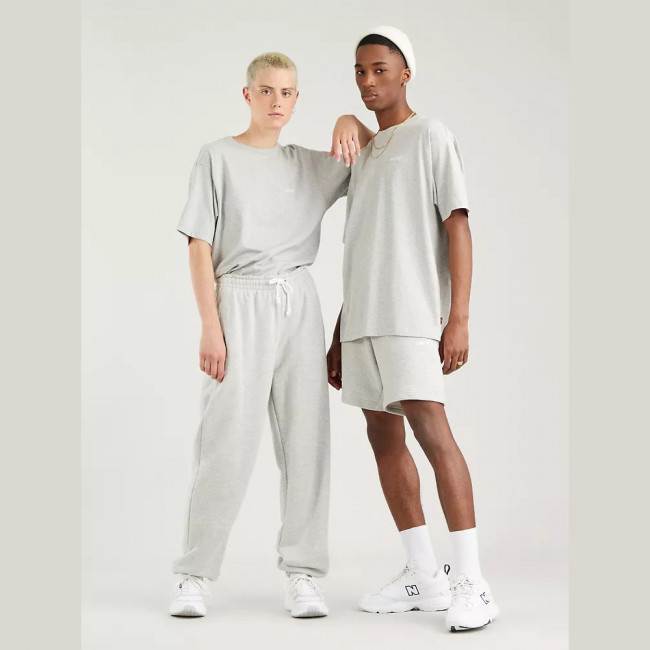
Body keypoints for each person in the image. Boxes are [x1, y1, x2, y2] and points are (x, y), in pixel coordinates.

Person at [169, 51, 374, 618]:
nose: (276, 102)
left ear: (296, 99)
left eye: (286, 93)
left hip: (298, 302)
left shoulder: (308, 165)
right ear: (248, 95)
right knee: (225, 442)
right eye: (266, 91)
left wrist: (348, 121)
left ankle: (303, 573)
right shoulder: (217, 157)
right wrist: (210, 326)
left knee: (307, 441)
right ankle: (193, 575)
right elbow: (199, 245)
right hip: (238, 300)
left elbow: (373, 151)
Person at [327, 26, 500, 632]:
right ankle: (424, 574)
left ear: (406, 73)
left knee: (432, 433)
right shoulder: (365, 153)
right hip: (363, 320)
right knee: (383, 438)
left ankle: (472, 582)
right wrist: (339, 331)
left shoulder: (431, 135)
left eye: (380, 69)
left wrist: (460, 318)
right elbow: (365, 246)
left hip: (411, 314)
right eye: (359, 71)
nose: (368, 81)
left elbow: (458, 225)